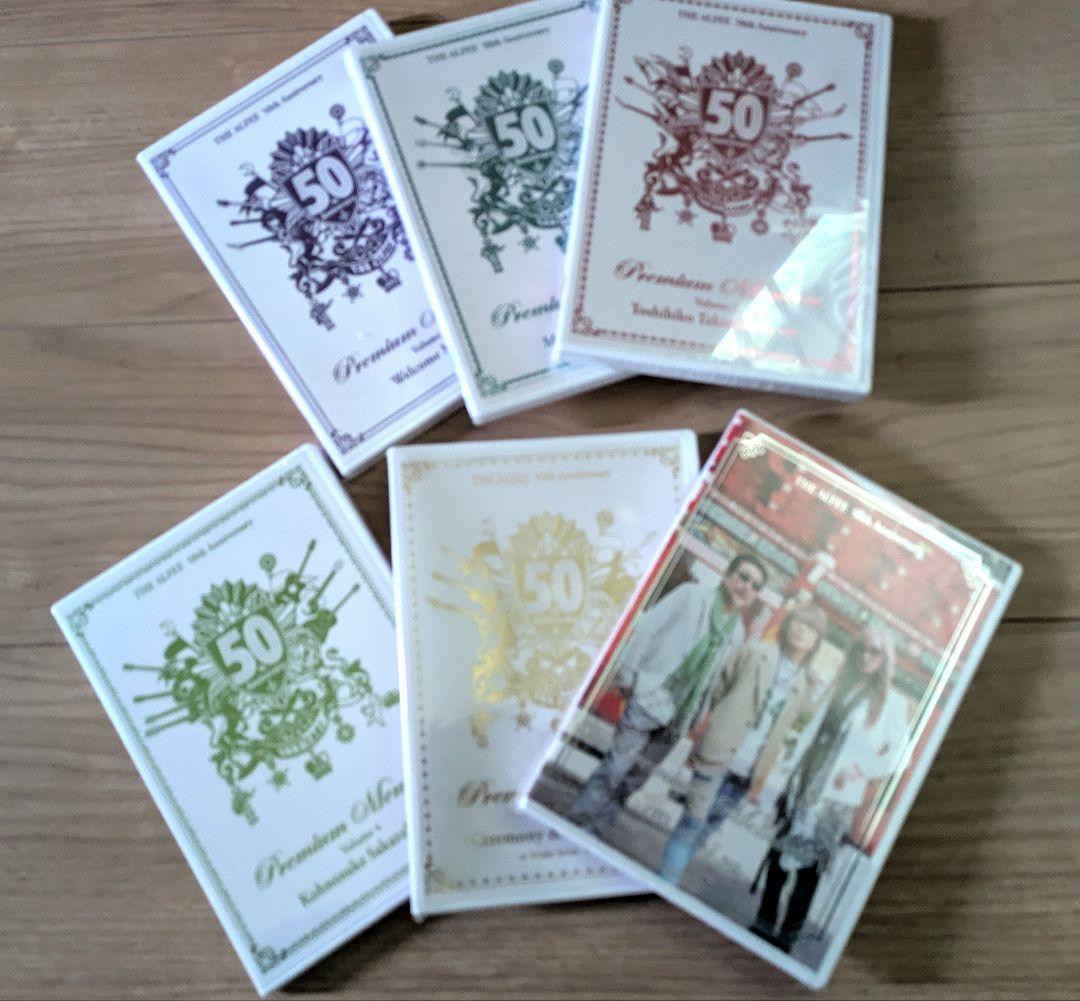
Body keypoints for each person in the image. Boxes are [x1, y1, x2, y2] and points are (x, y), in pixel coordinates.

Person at [568, 552, 767, 832]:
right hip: (651, 694)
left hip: (681, 715)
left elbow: (715, 683)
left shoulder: (736, 634)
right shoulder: (690, 595)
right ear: (727, 575)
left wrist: (697, 720)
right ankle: (576, 820)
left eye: (755, 586)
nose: (746, 588)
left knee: (637, 777)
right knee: (616, 766)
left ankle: (597, 828)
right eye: (743, 577)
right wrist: (628, 675)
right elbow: (648, 628)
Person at [750, 624, 907, 955]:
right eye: (862, 649)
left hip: (837, 796)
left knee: (811, 868)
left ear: (885, 660)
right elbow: (810, 732)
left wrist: (861, 769)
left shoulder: (892, 702)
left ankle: (787, 935)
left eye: (875, 652)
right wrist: (790, 773)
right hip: (805, 783)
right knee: (778, 854)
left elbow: (900, 754)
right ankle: (764, 920)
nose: (867, 657)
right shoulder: (841, 684)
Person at [659, 601, 830, 884]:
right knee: (692, 821)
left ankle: (668, 879)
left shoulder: (805, 684)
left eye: (811, 629)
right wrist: (713, 728)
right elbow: (719, 689)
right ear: (788, 624)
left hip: (749, 768)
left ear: (816, 642)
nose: (802, 630)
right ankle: (666, 882)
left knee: (707, 828)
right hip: (718, 751)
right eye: (799, 622)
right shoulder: (755, 651)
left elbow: (804, 721)